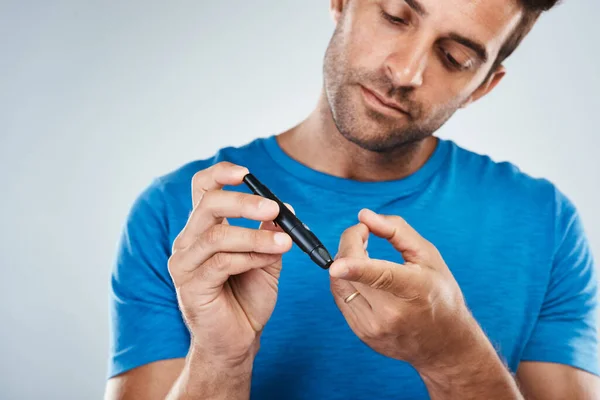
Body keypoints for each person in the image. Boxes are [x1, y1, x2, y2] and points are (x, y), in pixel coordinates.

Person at [104, 0, 600, 399]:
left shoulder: (544, 223)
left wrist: (455, 359)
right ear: (342, 2)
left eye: (454, 58)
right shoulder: (182, 210)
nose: (405, 71)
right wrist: (220, 358)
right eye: (395, 16)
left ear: (482, 87)